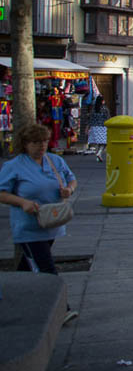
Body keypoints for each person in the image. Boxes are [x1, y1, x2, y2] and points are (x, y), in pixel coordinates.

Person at [0, 123, 80, 324]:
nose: (41, 146)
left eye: (44, 141)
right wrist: (22, 202)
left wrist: (69, 190)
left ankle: (11, 299)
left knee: (27, 267)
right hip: (28, 226)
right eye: (36, 142)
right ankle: (61, 309)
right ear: (25, 144)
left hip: (51, 222)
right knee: (45, 267)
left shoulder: (55, 161)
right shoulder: (14, 166)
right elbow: (1, 193)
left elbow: (72, 179)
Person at [85, 96, 110, 162]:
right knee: (105, 142)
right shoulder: (104, 109)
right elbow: (108, 118)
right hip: (103, 127)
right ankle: (99, 153)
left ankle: (99, 155)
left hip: (94, 127)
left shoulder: (93, 109)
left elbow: (90, 119)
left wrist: (87, 127)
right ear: (102, 101)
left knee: (99, 142)